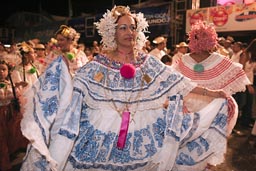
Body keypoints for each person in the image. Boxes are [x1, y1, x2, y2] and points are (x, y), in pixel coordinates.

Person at [20, 6, 230, 171]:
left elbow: (180, 82)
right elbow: (77, 86)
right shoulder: (99, 62)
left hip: (144, 128)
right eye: (123, 27)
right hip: (103, 129)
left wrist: (214, 94)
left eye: (132, 27)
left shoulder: (147, 61)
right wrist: (62, 73)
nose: (129, 32)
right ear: (112, 31)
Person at [172, 21, 251, 136]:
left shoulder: (183, 60)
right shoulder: (220, 60)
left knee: (188, 143)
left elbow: (174, 81)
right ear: (212, 39)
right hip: (211, 109)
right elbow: (239, 74)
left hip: (188, 109)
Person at [0, 60, 27, 171]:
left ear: (8, 71)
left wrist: (18, 87)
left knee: (11, 138)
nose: (1, 72)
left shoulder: (11, 83)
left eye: (3, 69)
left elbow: (17, 98)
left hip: (10, 115)